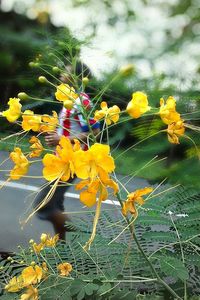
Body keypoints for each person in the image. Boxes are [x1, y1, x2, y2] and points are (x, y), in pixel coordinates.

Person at [34, 62, 100, 240]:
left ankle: (81, 231)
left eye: (66, 72)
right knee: (57, 205)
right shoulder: (69, 100)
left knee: (43, 205)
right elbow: (73, 130)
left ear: (77, 78)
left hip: (71, 163)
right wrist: (55, 138)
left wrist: (61, 140)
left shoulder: (81, 101)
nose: (61, 75)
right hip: (62, 159)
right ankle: (62, 248)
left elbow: (94, 132)